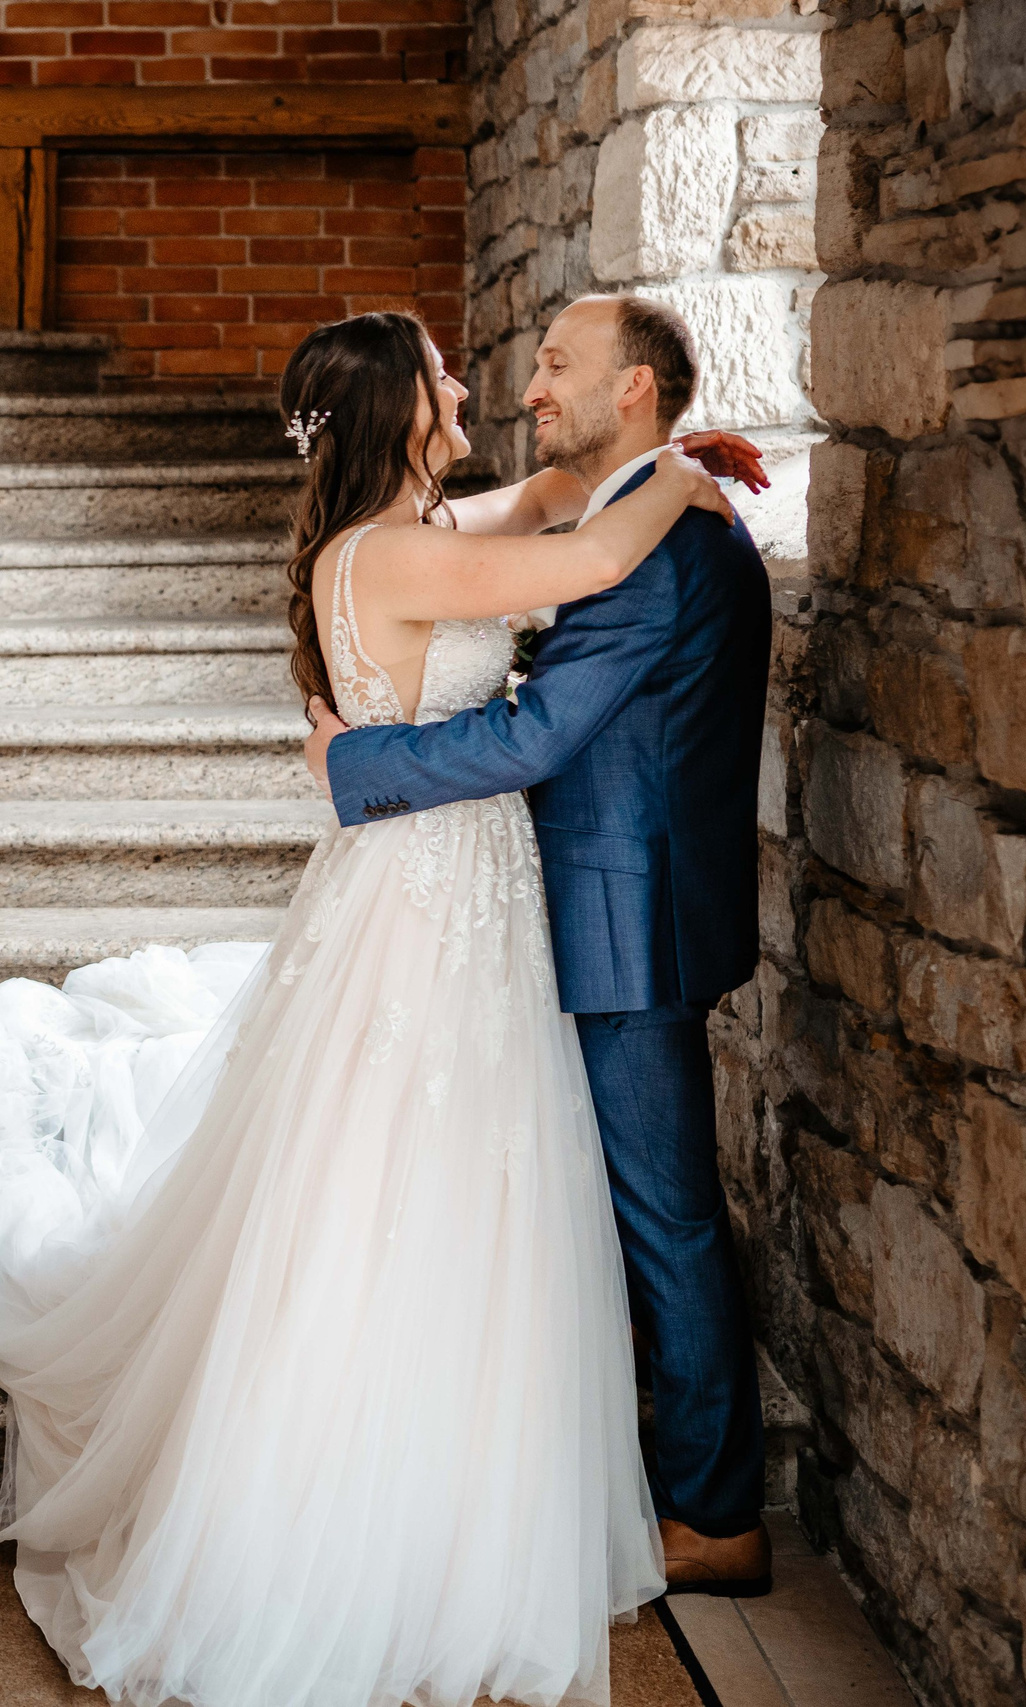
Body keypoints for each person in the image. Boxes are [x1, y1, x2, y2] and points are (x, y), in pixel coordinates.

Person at [0, 307, 755, 1707]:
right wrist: (683, 482)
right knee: (399, 1180)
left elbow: (552, 504)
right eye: (448, 379)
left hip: (446, 885)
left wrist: (665, 455)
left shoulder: (419, 534)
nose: (479, 387)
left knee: (432, 1172)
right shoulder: (396, 552)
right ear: (402, 411)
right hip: (430, 889)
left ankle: (460, 1472)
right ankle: (366, 1504)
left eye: (514, 370)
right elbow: (577, 560)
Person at [307, 293, 776, 1595]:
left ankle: (717, 1513)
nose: (517, 389)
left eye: (558, 365)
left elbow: (531, 737)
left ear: (635, 388)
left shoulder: (660, 546)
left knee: (663, 1217)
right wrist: (673, 471)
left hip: (625, 923)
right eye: (459, 380)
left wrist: (356, 764)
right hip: (567, 905)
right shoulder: (626, 517)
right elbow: (545, 525)